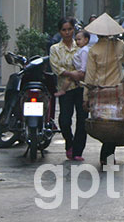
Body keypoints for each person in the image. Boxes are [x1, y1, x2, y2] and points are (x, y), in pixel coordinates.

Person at [84, 14, 124, 167]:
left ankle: (106, 156)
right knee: (115, 123)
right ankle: (108, 156)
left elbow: (89, 76)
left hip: (99, 92)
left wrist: (86, 97)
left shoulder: (94, 50)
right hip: (117, 91)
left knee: (103, 123)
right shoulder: (120, 44)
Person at [49, 19, 86, 161]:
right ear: (60, 31)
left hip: (81, 87)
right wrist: (72, 74)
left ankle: (77, 151)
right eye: (64, 30)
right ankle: (69, 143)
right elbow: (56, 67)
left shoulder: (81, 47)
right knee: (65, 120)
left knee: (82, 120)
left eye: (70, 29)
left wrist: (80, 75)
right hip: (65, 88)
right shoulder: (55, 49)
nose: (67, 32)